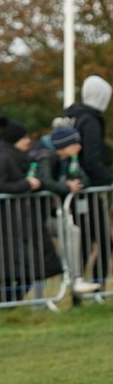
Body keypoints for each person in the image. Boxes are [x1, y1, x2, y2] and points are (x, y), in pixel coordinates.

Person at [63, 75, 113, 287]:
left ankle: (83, 288)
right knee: (102, 242)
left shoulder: (75, 117)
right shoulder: (90, 121)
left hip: (80, 189)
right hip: (86, 189)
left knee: (87, 241)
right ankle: (93, 288)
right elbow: (92, 160)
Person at [33, 126, 101, 295]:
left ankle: (76, 278)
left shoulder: (70, 160)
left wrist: (76, 182)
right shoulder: (45, 157)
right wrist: (65, 187)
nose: (79, 147)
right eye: (75, 144)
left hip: (47, 216)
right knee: (38, 255)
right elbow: (45, 181)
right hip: (33, 217)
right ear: (63, 146)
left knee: (72, 231)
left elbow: (85, 180)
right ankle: (37, 301)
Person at [0, 118, 58, 302]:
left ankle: (9, 304)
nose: (28, 141)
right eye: (24, 137)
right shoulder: (5, 158)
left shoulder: (20, 158)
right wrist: (26, 184)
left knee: (30, 267)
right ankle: (8, 304)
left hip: (20, 223)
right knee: (21, 267)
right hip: (9, 224)